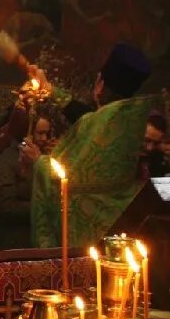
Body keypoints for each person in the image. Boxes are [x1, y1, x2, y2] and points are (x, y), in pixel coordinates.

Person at [30, 43, 154, 247]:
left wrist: (38, 161)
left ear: (99, 84)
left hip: (82, 240)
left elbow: (59, 177)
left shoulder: (93, 124)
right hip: (119, 233)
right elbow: (89, 117)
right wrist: (50, 90)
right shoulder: (131, 126)